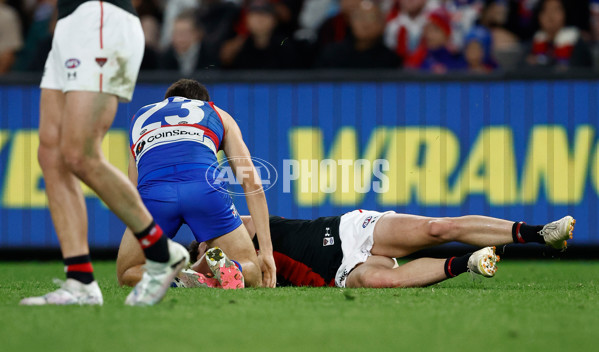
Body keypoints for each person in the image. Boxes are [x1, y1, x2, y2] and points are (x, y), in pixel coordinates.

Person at [20, 0, 189, 307]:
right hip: (68, 24)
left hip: (99, 17)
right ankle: (80, 281)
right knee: (52, 154)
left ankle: (161, 252)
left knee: (78, 153)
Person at [119, 210, 575, 289]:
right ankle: (468, 263)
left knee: (439, 226)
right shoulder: (215, 257)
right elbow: (216, 272)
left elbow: (232, 251)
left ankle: (539, 233)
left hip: (346, 231)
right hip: (338, 277)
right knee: (383, 280)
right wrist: (186, 272)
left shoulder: (229, 225)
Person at [117, 78, 277, 289]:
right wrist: (266, 252)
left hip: (155, 194)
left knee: (128, 274)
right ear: (201, 101)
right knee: (251, 271)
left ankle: (182, 280)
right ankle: (212, 273)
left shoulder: (140, 118)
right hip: (204, 189)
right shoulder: (216, 112)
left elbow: (132, 192)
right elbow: (251, 181)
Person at [316, 0, 401, 69]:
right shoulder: (332, 54)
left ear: (383, 24)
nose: (365, 24)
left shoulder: (391, 60)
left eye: (371, 18)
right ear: (349, 21)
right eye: (359, 17)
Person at [525, 0, 592, 70]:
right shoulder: (534, 42)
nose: (550, 15)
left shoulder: (576, 42)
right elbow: (520, 67)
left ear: (564, 14)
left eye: (555, 10)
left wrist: (543, 62)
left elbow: (579, 69)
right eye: (545, 10)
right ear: (539, 16)